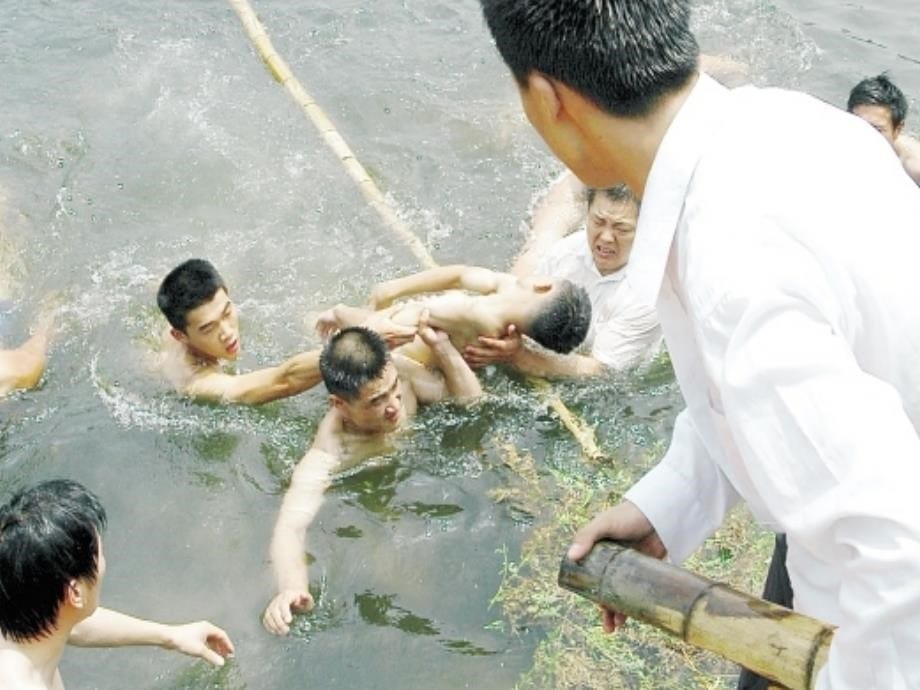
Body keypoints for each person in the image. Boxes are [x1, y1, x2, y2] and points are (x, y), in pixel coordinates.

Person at [479, 2, 920, 689]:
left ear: (546, 100)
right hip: (851, 529)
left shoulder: (732, 266)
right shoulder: (796, 124)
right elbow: (815, 378)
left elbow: (900, 547)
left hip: (874, 597)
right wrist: (672, 499)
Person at [262, 320, 482, 635]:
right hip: (377, 496)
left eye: (394, 391)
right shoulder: (331, 453)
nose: (394, 406)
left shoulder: (400, 376)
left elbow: (471, 404)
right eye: (377, 402)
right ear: (340, 405)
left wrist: (443, 349)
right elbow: (290, 526)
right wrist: (290, 588)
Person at [0, 479, 234, 689]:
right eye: (99, 556)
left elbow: (73, 624)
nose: (103, 564)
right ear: (75, 592)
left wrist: (170, 636)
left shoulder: (21, 616)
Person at [463, 174, 662, 377]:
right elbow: (520, 299)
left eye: (622, 229)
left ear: (646, 230)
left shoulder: (647, 295)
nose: (606, 237)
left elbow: (602, 370)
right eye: (598, 221)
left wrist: (520, 356)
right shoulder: (568, 252)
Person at [156, 258, 416, 404]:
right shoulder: (197, 382)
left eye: (227, 313)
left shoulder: (212, 301)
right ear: (179, 335)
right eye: (208, 328)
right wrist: (361, 340)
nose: (226, 332)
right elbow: (283, 380)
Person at [317, 264, 592, 367]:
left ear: (543, 286)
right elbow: (459, 275)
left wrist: (359, 318)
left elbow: (407, 321)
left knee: (335, 317)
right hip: (410, 339)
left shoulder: (473, 314)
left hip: (403, 354)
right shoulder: (507, 290)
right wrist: (395, 287)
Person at [847, 73, 920, 185]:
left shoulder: (914, 168)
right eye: (859, 125)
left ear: (898, 130)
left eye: (876, 130)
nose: (865, 135)